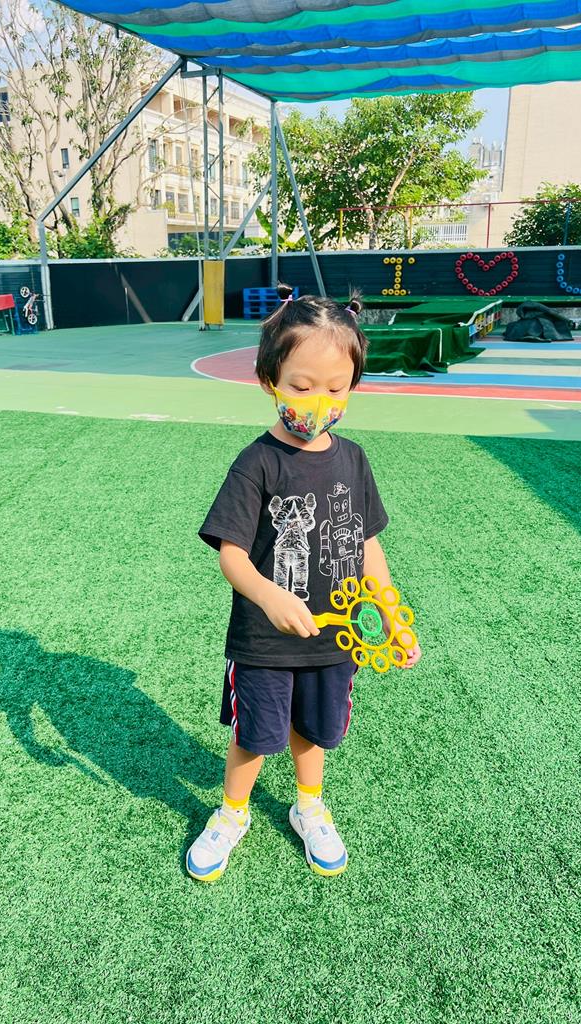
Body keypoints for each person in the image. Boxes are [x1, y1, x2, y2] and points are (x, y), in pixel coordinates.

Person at [187, 285, 422, 882]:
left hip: (336, 637)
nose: (319, 401)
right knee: (254, 734)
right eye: (301, 385)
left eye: (336, 388)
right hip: (264, 641)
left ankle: (309, 807)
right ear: (270, 380)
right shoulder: (257, 463)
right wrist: (269, 595)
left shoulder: (354, 459)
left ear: (353, 385)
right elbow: (232, 555)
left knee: (312, 732)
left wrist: (390, 616)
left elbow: (366, 546)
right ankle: (232, 812)